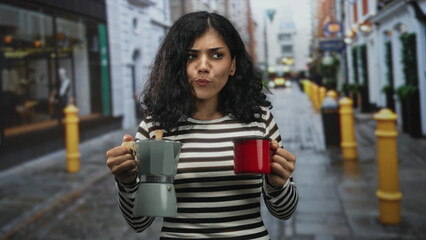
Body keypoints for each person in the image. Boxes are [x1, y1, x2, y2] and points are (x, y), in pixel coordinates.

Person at [106, 11, 298, 239]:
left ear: (233, 64)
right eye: (191, 56)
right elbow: (140, 222)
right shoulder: (156, 129)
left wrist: (278, 184)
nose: (203, 66)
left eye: (216, 55)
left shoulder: (259, 120)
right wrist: (127, 181)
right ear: (178, 65)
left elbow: (284, 211)